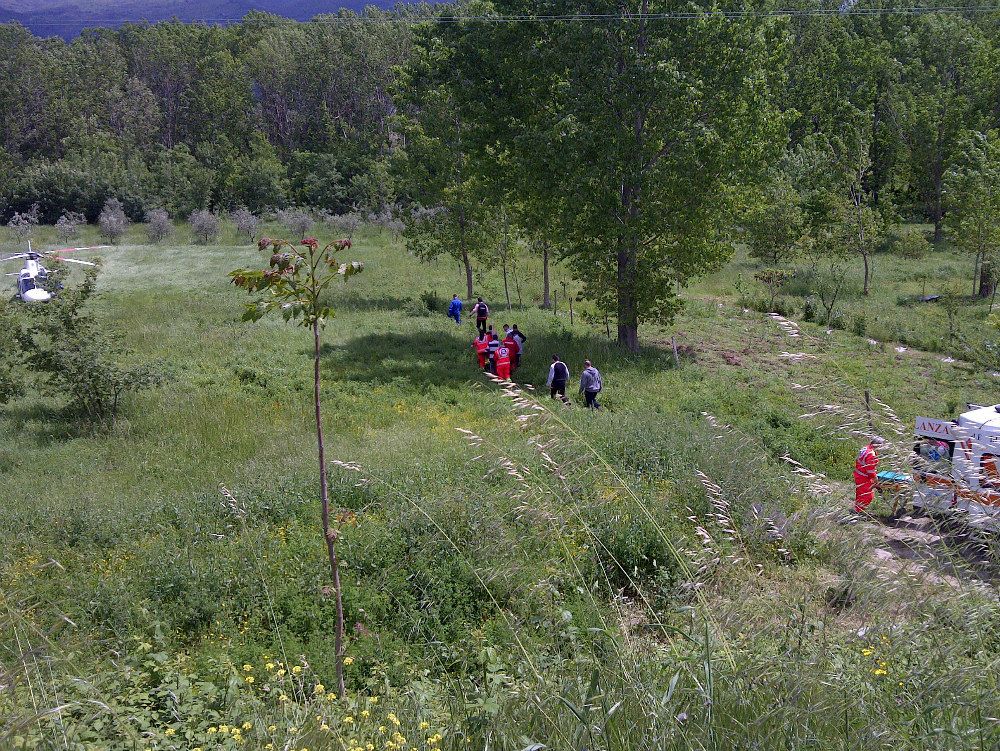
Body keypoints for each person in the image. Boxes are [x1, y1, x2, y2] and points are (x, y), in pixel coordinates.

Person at [853, 436, 885, 514]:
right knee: (867, 496)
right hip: (864, 477)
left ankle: (857, 509)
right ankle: (858, 512)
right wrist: (876, 481)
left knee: (860, 494)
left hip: (858, 474)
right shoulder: (871, 454)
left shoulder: (865, 448)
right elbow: (870, 471)